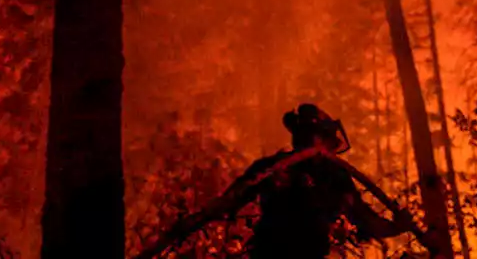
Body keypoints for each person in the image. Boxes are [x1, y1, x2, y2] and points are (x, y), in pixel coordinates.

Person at [141, 104, 414, 259]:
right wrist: (193, 221)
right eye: (326, 140)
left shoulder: (335, 176)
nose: (330, 148)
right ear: (314, 136)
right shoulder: (272, 168)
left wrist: (396, 227)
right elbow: (232, 199)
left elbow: (365, 219)